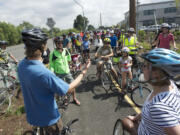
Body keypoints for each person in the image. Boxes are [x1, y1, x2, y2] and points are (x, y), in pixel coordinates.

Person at [18, 28, 90, 134]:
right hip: (49, 119)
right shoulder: (44, 73)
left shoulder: (21, 65)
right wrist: (83, 72)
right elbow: (68, 89)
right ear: (42, 47)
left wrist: (39, 62)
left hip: (33, 116)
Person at [121, 48, 180, 135]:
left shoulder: (160, 107)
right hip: (147, 126)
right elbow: (148, 108)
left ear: (155, 73)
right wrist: (136, 117)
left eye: (145, 65)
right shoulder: (169, 85)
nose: (142, 68)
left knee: (125, 121)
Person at [49, 36, 81, 106]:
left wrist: (72, 65)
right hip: (58, 73)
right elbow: (51, 65)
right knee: (62, 88)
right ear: (55, 44)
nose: (60, 44)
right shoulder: (53, 53)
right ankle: (65, 99)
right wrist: (51, 73)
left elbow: (69, 59)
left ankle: (74, 98)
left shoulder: (66, 50)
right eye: (58, 43)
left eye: (61, 43)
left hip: (67, 72)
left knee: (73, 86)